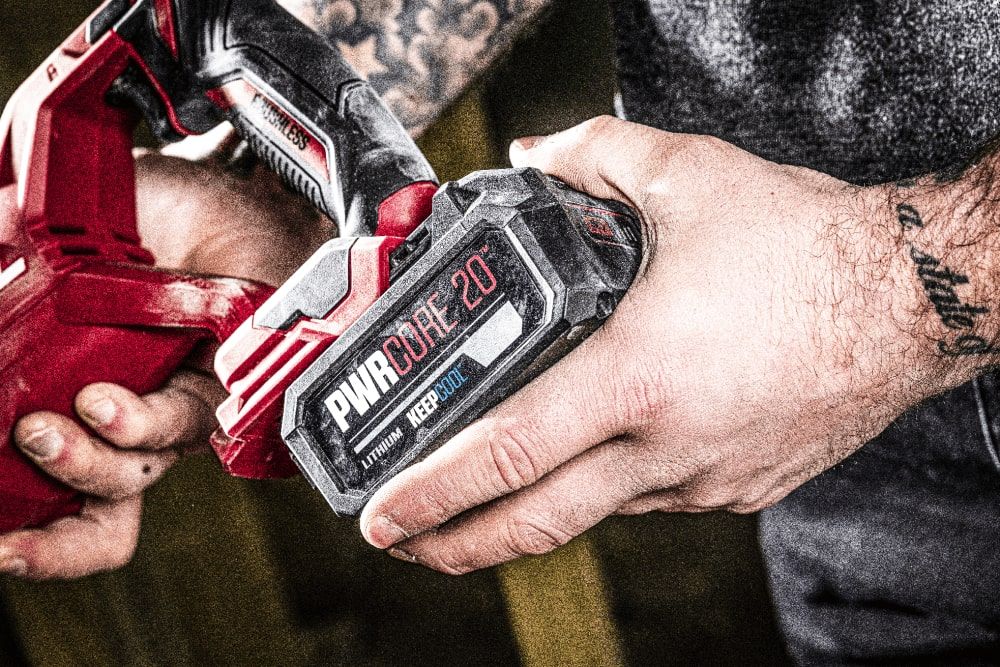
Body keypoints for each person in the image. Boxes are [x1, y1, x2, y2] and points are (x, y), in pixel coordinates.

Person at [4, 0, 999, 662]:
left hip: (826, 344)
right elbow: (198, 29)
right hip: (868, 521)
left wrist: (887, 292)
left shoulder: (865, 301)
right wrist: (265, 187)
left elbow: (871, 296)